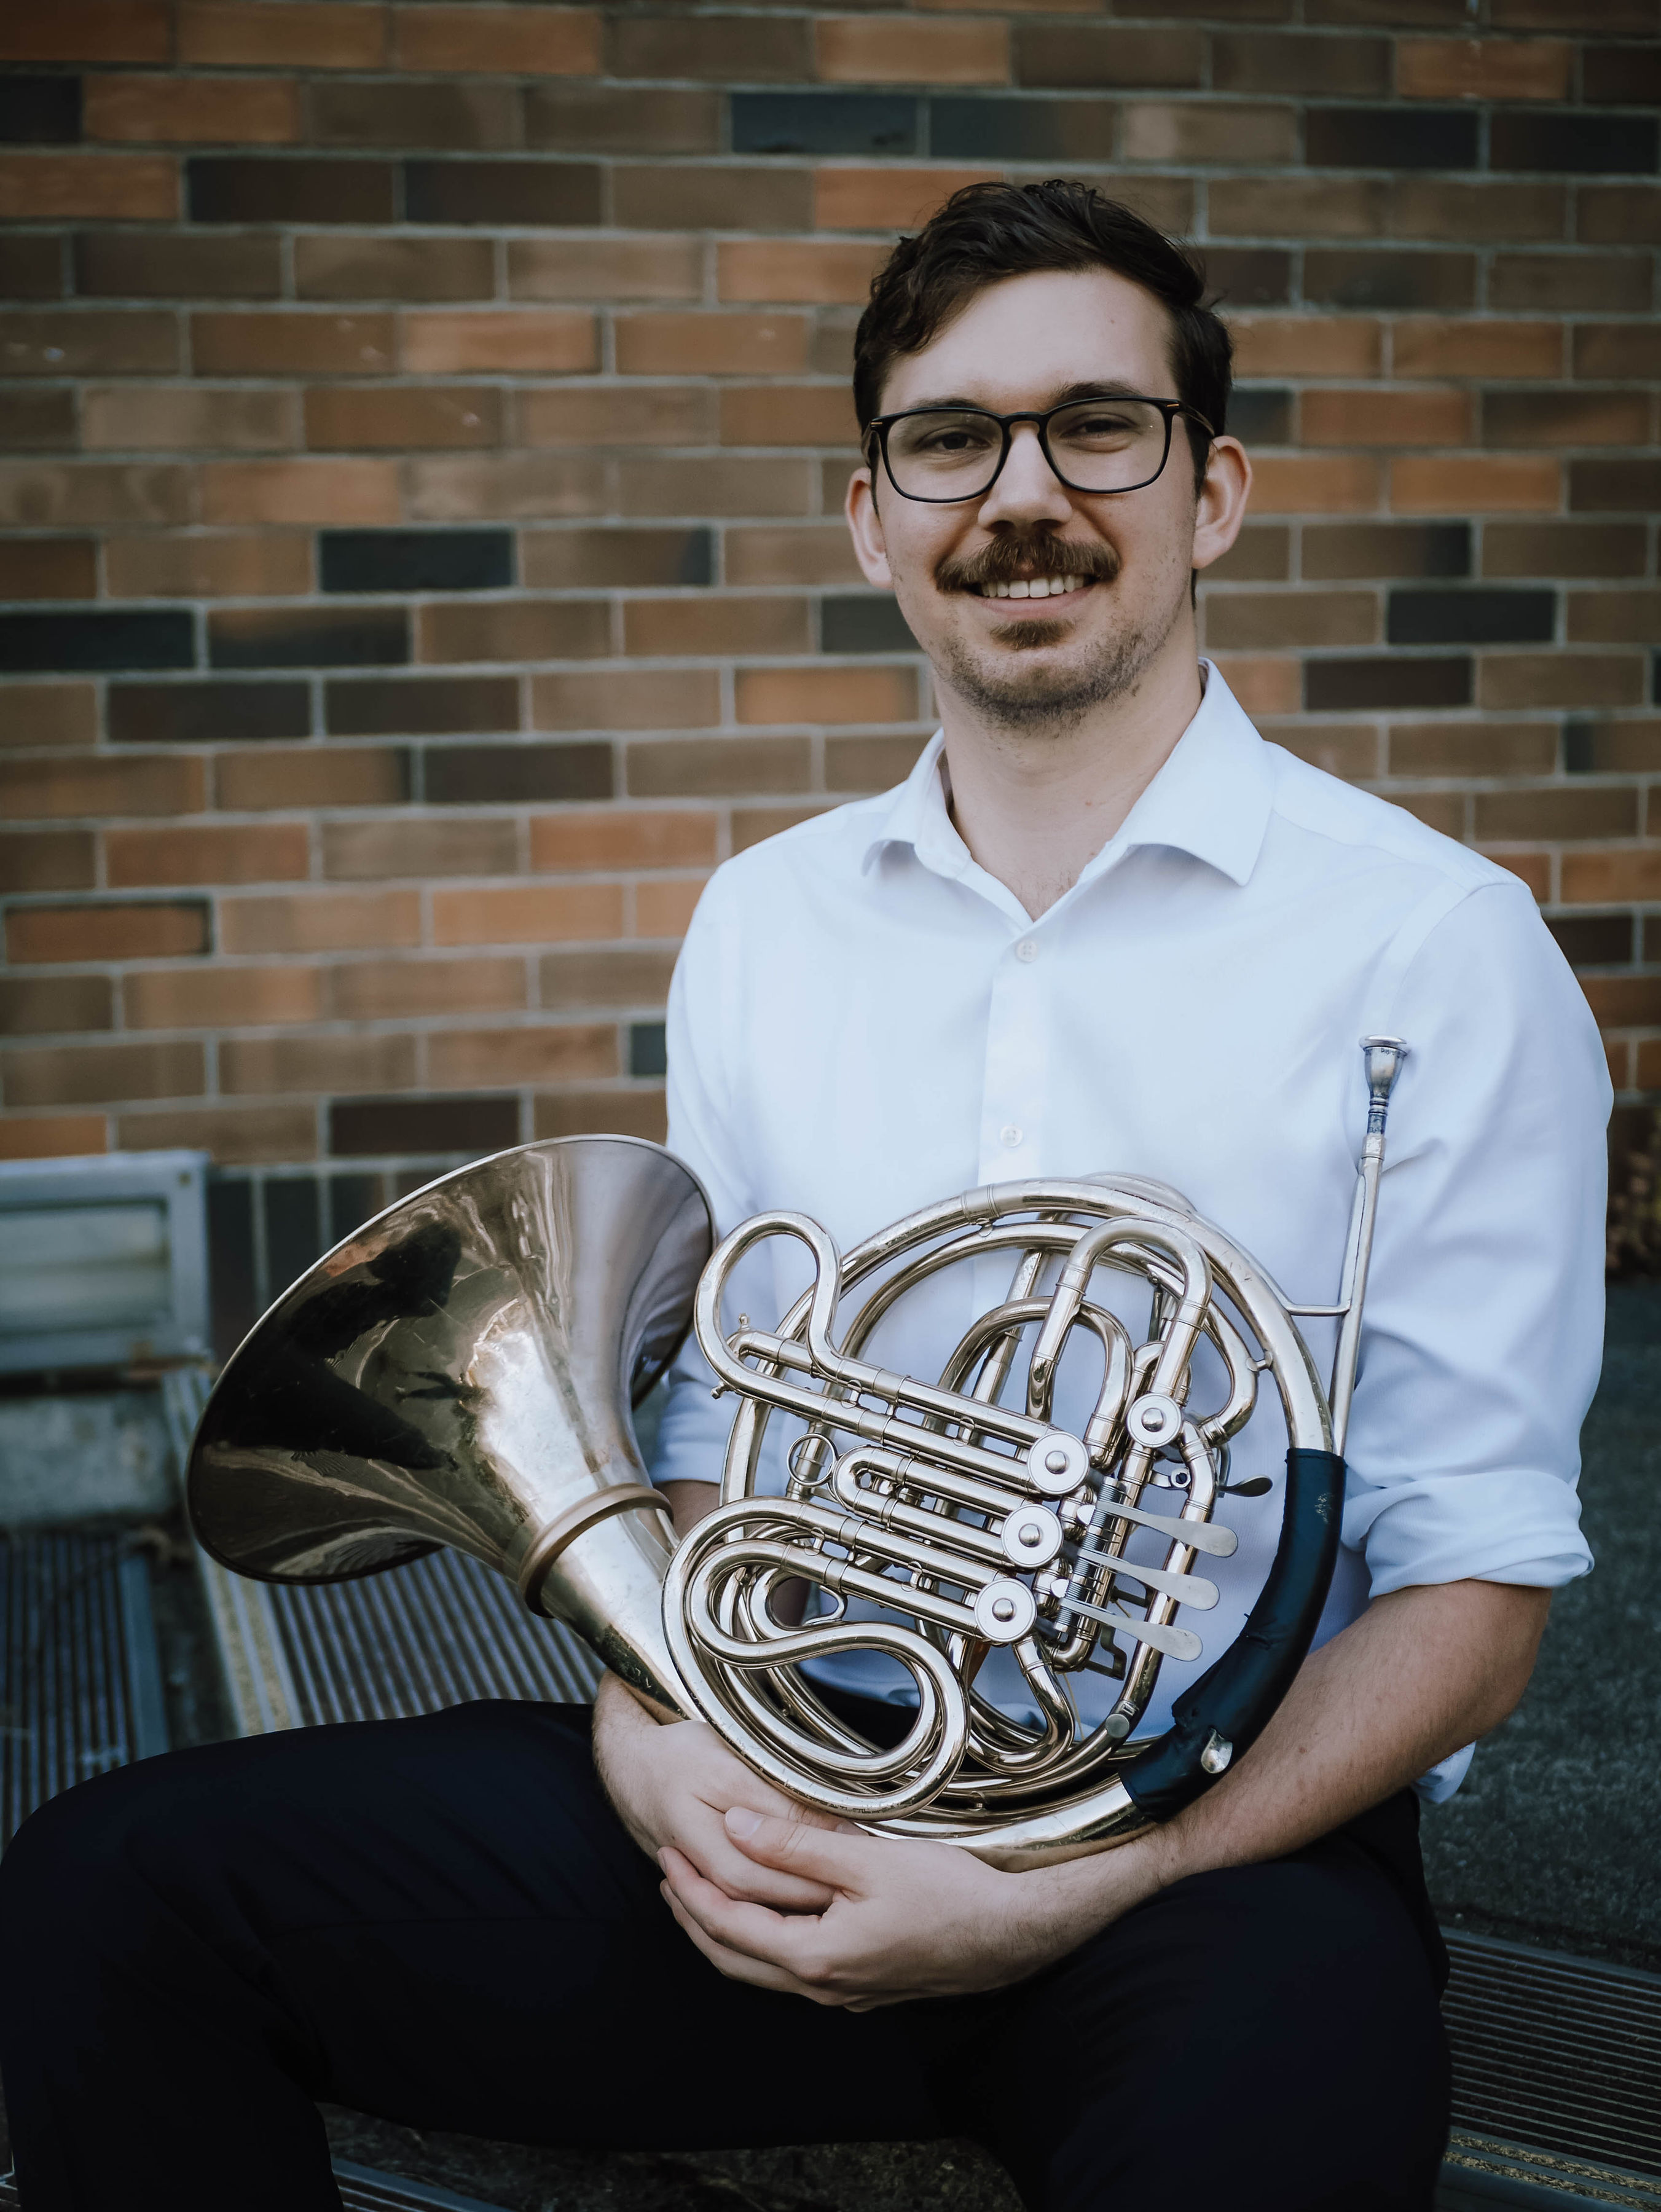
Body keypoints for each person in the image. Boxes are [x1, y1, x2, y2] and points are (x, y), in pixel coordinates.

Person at [0, 181, 1606, 2212]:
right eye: (952, 440)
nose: (1024, 493)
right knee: (104, 1894)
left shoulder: (1436, 950)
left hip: (1211, 1852)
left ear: (1215, 493)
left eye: (1100, 427)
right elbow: (697, 1437)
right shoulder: (766, 926)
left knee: (1288, 2115)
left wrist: (1101, 1871)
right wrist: (653, 1740)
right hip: (779, 1766)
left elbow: (1474, 1589)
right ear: (874, 518)